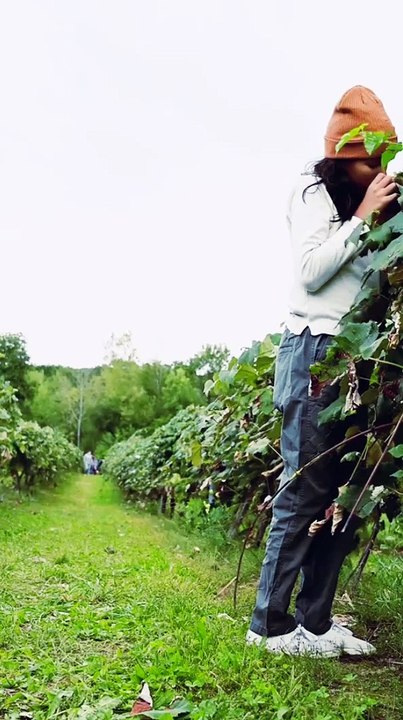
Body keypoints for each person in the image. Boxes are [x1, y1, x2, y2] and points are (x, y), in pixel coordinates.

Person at [247, 86, 399, 658]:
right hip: (313, 353)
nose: (379, 169)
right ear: (341, 157)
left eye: (386, 159)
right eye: (369, 160)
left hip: (360, 362)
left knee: (345, 493)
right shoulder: (313, 195)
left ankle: (313, 622)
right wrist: (362, 217)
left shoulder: (378, 209)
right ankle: (268, 625)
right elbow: (311, 273)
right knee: (305, 488)